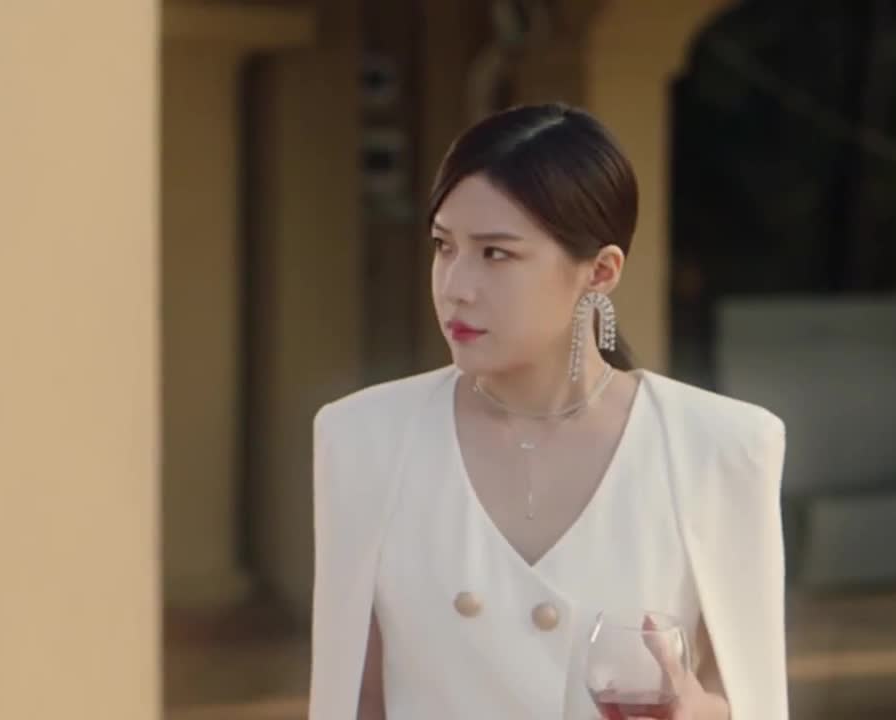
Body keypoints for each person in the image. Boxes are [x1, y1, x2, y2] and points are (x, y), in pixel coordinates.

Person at [308, 103, 788, 720]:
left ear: (601, 272)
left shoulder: (720, 446)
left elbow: (750, 695)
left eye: (496, 254)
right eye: (444, 246)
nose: (455, 285)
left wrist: (705, 714)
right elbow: (353, 700)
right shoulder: (363, 437)